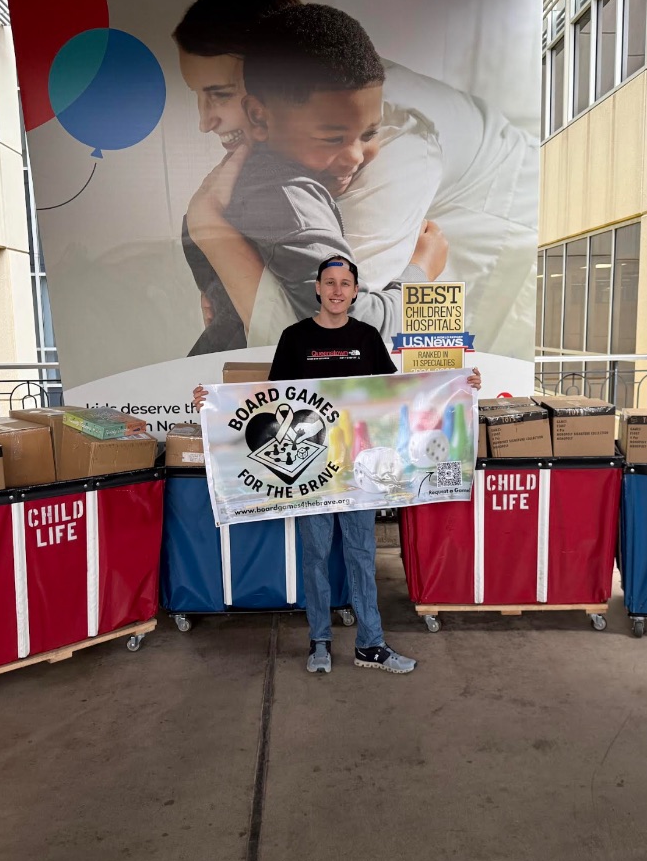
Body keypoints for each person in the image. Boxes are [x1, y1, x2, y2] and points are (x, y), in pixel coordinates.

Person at [174, 0, 537, 358]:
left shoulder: (392, 139)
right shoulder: (305, 134)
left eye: (220, 95)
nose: (205, 122)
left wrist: (217, 240)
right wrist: (225, 288)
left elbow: (340, 341)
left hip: (499, 238)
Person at [194, 254, 482, 675]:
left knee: (362, 554)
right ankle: (320, 642)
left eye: (345, 283)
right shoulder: (294, 338)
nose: (336, 290)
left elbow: (398, 394)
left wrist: (461, 385)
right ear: (317, 288)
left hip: (359, 473)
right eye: (329, 282)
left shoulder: (367, 338)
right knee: (314, 555)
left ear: (355, 290)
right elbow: (270, 405)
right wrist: (212, 404)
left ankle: (371, 644)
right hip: (311, 474)